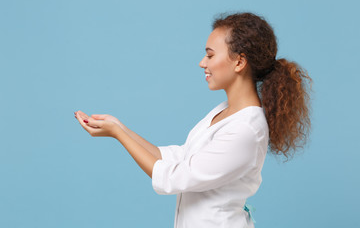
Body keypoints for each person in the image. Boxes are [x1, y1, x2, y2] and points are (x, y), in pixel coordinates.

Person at [74, 12, 312, 228]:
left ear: (239, 61)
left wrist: (119, 135)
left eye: (210, 55)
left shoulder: (247, 130)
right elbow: (179, 158)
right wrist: (120, 128)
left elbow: (174, 177)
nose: (202, 63)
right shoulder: (225, 112)